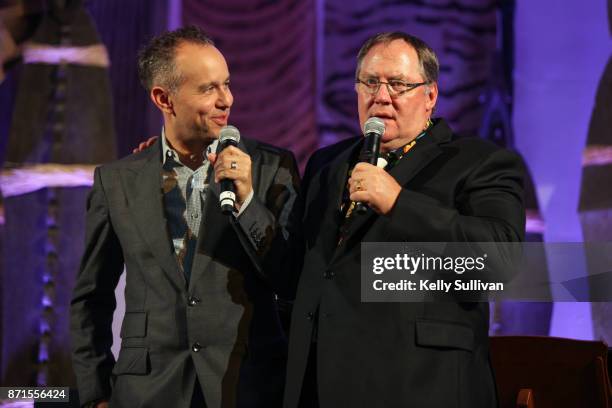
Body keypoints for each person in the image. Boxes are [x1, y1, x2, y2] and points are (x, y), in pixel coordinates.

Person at [283, 32, 525, 407]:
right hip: (322, 383)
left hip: (422, 384)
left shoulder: (479, 162)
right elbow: (302, 267)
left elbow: (500, 261)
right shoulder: (325, 164)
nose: (381, 96)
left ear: (430, 96)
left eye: (397, 84)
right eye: (369, 83)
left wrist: (398, 203)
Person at [70, 26, 300, 408]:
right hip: (148, 390)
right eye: (208, 89)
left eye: (226, 84)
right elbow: (90, 296)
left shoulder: (272, 167)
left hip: (245, 384)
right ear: (164, 98)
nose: (227, 99)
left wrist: (246, 202)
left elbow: (291, 276)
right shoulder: (116, 181)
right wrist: (95, 392)